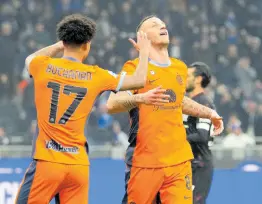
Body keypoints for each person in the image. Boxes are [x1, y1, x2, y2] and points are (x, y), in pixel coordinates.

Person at [15, 14, 164, 204]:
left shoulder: (42, 66)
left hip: (47, 162)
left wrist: (58, 46)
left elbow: (30, 58)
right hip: (78, 166)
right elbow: (138, 80)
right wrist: (143, 52)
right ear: (87, 46)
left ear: (64, 42)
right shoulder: (96, 75)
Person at [106, 15, 224, 204]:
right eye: (154, 25)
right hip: (146, 162)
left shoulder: (179, 67)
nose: (162, 26)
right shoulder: (135, 67)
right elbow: (112, 104)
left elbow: (178, 100)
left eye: (163, 24)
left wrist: (209, 113)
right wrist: (141, 98)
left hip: (179, 161)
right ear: (142, 37)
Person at [183, 62, 215, 204]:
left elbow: (202, 136)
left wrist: (178, 138)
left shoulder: (204, 103)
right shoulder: (188, 102)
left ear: (198, 79)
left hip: (200, 164)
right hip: (189, 162)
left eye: (188, 75)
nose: (185, 79)